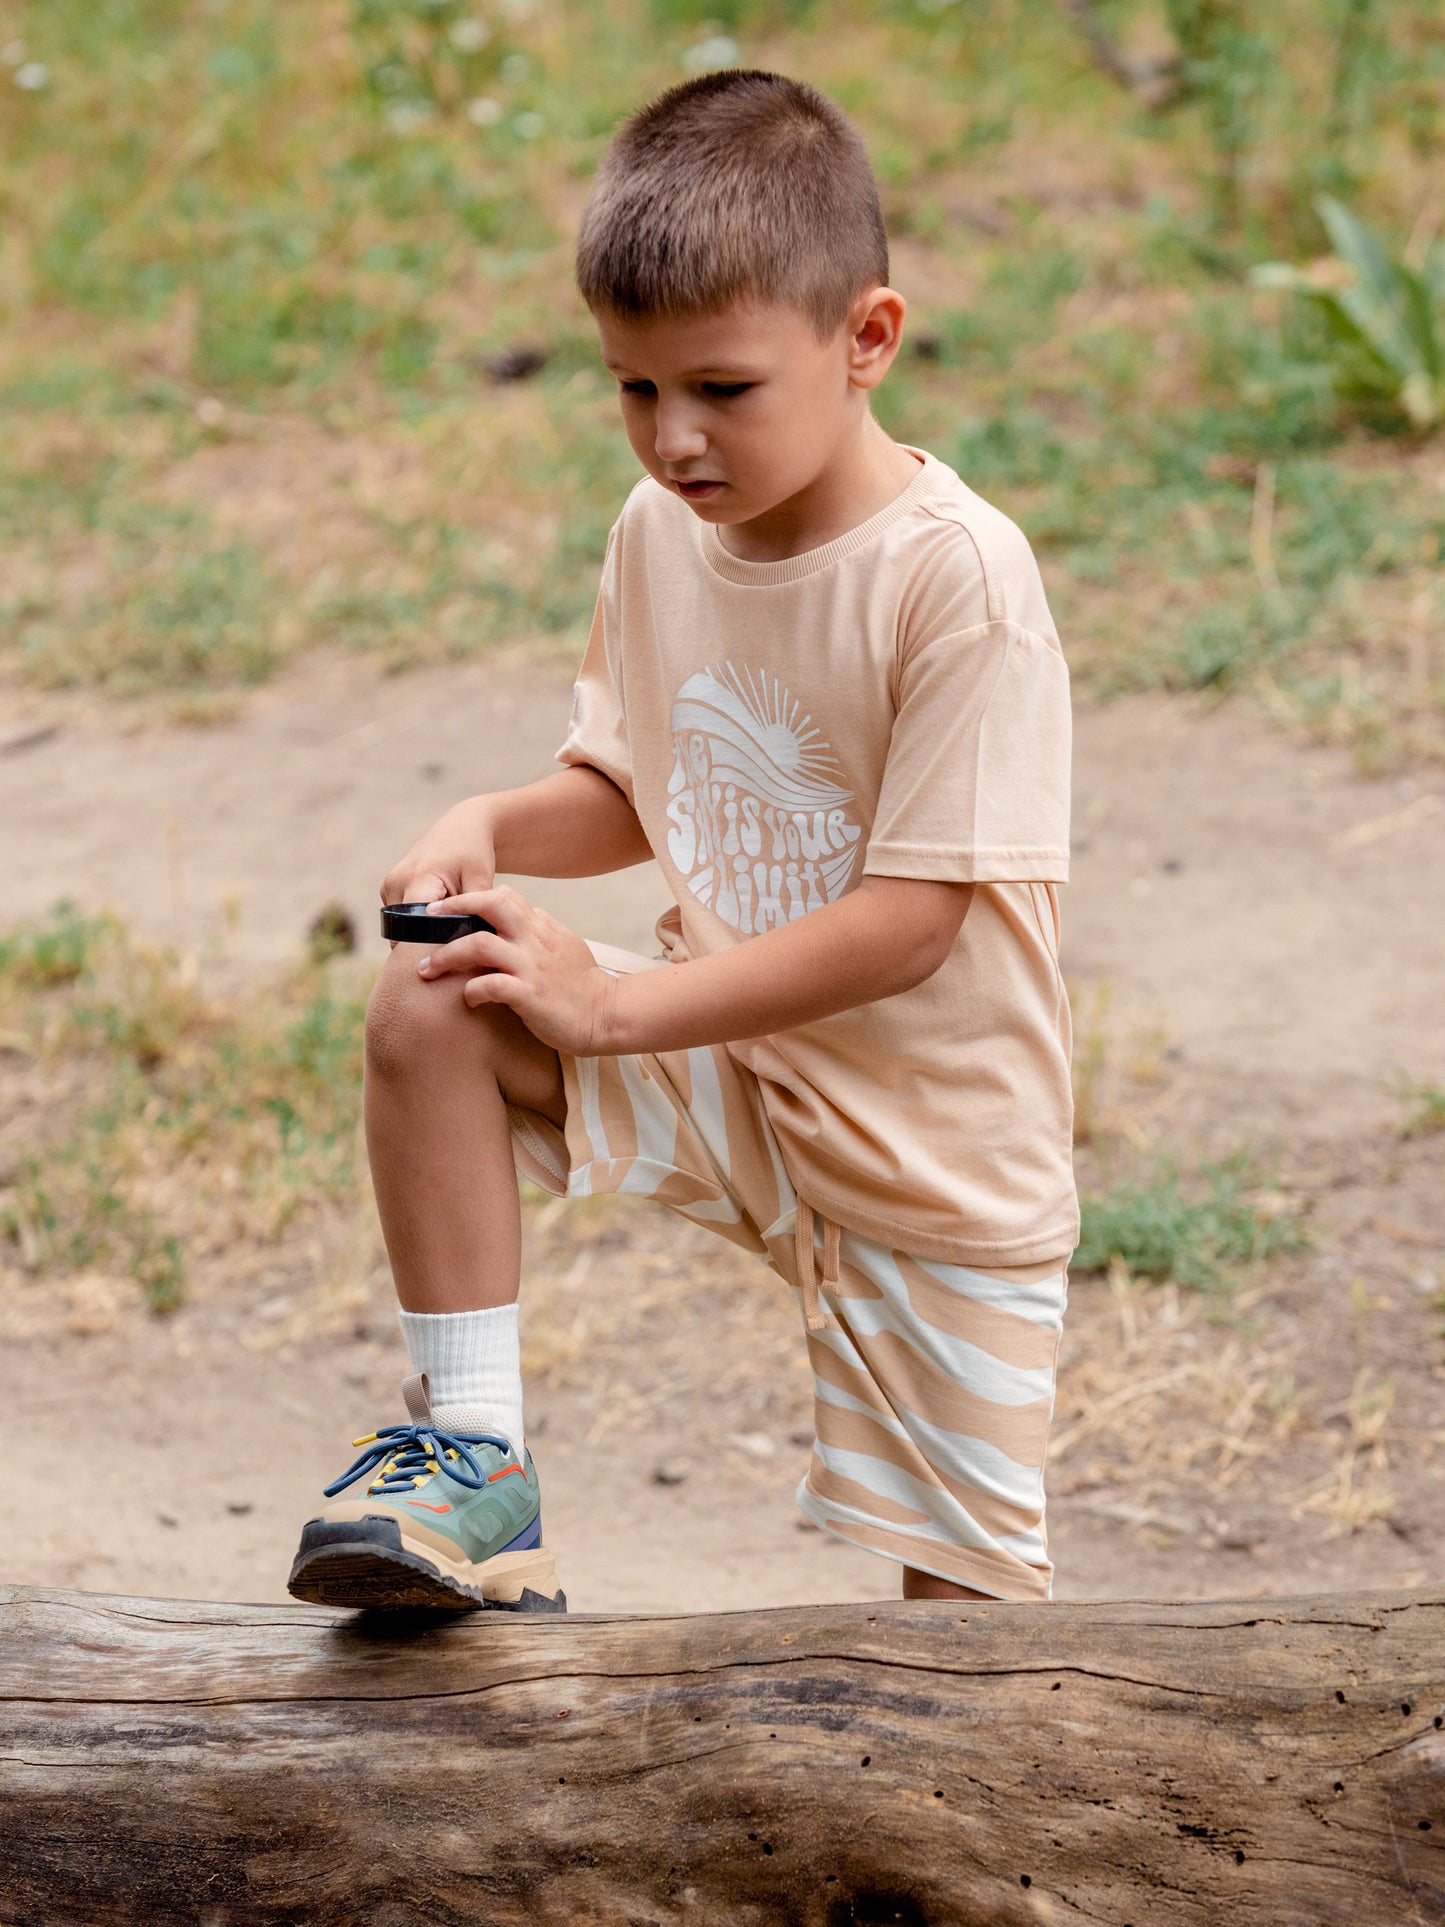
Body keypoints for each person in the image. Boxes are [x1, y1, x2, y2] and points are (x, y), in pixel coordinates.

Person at [286, 68, 1077, 1616]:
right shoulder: (660, 535)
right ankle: (478, 1470)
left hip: (938, 1150)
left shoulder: (956, 580)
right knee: (435, 996)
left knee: (966, 1658)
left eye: (720, 387)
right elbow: (642, 785)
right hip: (733, 1067)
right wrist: (491, 821)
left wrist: (615, 1003)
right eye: (634, 389)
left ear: (865, 340)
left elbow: (914, 920)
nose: (673, 438)